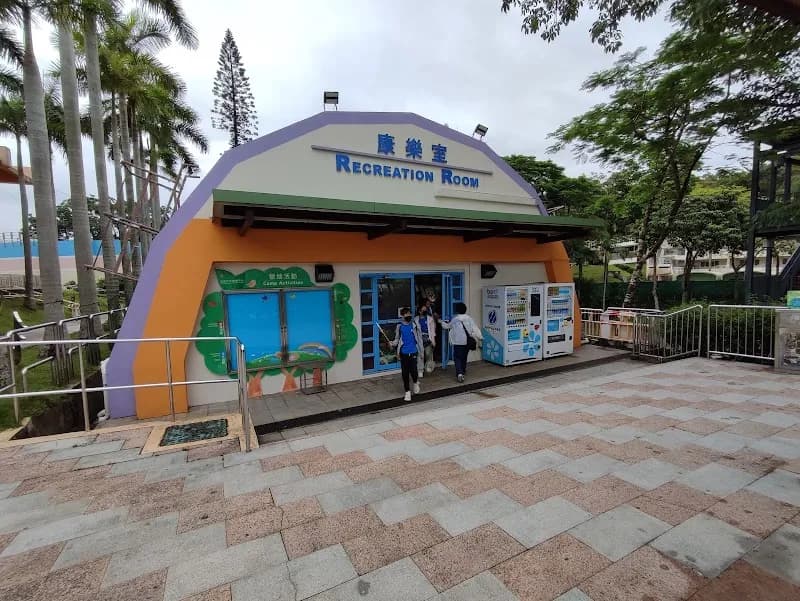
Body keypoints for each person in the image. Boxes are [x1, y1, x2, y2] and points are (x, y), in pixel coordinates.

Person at [439, 302, 482, 383]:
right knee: (464, 356)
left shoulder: (455, 319)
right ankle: (463, 370)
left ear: (457, 310)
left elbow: (447, 326)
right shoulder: (469, 318)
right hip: (467, 342)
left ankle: (459, 373)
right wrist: (480, 337)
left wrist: (441, 322)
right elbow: (475, 328)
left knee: (457, 358)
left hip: (458, 342)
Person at [391, 307, 424, 401]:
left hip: (413, 352)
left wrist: (421, 352)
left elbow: (419, 339)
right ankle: (407, 392)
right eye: (406, 314)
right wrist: (392, 343)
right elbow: (397, 339)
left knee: (414, 371)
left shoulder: (414, 325)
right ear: (402, 316)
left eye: (409, 314)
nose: (408, 316)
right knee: (405, 373)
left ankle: (415, 382)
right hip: (403, 353)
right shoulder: (399, 327)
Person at [415, 302, 437, 376]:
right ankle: (420, 370)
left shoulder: (430, 319)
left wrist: (433, 341)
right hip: (419, 339)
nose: (424, 311)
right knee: (420, 355)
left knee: (428, 354)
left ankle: (428, 367)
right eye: (423, 310)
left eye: (425, 310)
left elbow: (432, 331)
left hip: (428, 339)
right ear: (419, 311)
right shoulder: (416, 319)